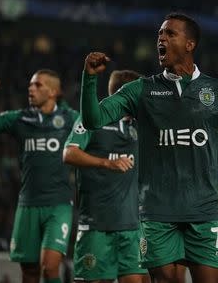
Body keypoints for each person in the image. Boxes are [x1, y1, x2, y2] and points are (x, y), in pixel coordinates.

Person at [79, 13, 218, 283]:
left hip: (203, 211)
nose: (161, 39)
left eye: (169, 34)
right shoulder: (141, 90)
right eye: (159, 35)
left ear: (190, 44)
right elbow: (93, 119)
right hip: (157, 212)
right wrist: (89, 80)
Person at [0, 69, 79, 283]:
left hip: (59, 205)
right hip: (27, 205)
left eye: (38, 85)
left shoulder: (70, 118)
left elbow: (94, 129)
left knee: (50, 267)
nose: (31, 88)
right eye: (30, 85)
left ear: (54, 92)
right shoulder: (20, 118)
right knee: (29, 272)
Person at [63, 69, 150, 283]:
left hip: (131, 227)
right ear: (125, 93)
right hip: (96, 226)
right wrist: (106, 163)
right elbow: (69, 153)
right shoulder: (93, 118)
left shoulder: (137, 125)